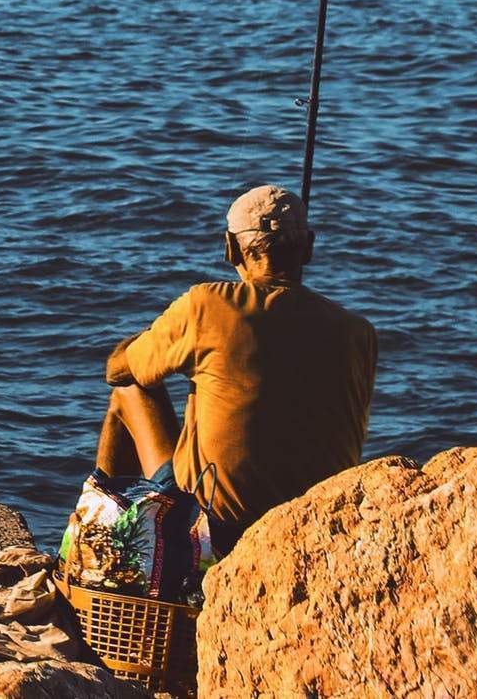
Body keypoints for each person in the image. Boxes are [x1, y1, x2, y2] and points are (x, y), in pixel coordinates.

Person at [93, 183, 377, 558]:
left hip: (215, 528)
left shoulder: (207, 305)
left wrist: (163, 334)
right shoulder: (358, 332)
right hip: (313, 525)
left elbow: (118, 369)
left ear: (231, 248)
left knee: (129, 392)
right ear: (308, 246)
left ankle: (100, 546)